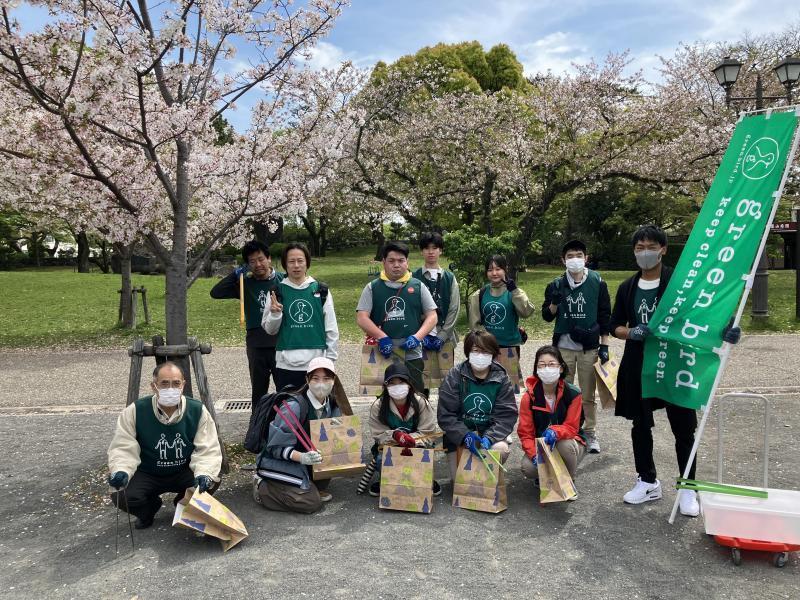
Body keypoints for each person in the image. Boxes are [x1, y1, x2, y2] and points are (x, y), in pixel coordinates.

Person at [610, 225, 741, 517]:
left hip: (676, 362)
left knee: (683, 428)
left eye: (651, 247)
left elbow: (704, 314)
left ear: (663, 249)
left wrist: (726, 328)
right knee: (640, 425)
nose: (645, 253)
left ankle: (688, 487)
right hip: (639, 365)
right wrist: (630, 333)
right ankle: (647, 480)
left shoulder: (681, 285)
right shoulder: (627, 287)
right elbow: (615, 325)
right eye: (639, 248)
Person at [107, 362, 222, 529]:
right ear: (154, 386)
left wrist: (204, 473)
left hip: (183, 470)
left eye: (176, 383)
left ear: (183, 385)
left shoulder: (197, 410)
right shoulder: (135, 411)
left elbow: (208, 448)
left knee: (211, 481)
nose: (171, 388)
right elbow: (123, 446)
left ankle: (182, 505)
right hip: (148, 472)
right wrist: (121, 471)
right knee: (122, 494)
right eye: (164, 383)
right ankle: (148, 509)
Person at [541, 239, 611, 454]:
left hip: (588, 347)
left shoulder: (597, 282)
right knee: (563, 391)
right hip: (563, 348)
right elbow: (546, 316)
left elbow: (604, 314)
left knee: (587, 393)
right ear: (563, 260)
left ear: (586, 258)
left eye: (578, 255)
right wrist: (554, 302)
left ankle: (589, 431)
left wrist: (604, 345)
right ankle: (565, 428)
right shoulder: (556, 284)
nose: (574, 260)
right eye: (570, 256)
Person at [253, 357, 346, 513]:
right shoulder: (294, 407)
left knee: (324, 480)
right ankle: (262, 489)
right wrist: (302, 457)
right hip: (279, 460)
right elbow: (275, 449)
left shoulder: (332, 404)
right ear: (307, 380)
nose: (321, 383)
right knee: (311, 503)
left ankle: (303, 485)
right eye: (315, 378)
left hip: (309, 462)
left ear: (334, 380)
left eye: (326, 378)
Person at [356, 241, 438, 393]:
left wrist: (417, 337)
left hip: (412, 351)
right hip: (383, 350)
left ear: (407, 262)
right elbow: (362, 317)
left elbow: (432, 316)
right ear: (383, 262)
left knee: (416, 392)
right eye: (391, 261)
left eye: (401, 261)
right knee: (385, 393)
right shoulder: (372, 287)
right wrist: (381, 336)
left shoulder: (418, 286)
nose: (396, 265)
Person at [210, 240, 284, 407]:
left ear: (269, 258)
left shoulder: (283, 280)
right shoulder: (245, 284)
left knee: (285, 390)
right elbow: (216, 292)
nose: (258, 264)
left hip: (281, 342)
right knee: (258, 391)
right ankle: (257, 427)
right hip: (256, 344)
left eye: (261, 259)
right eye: (252, 261)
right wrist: (235, 274)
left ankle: (287, 427)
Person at [437, 330, 519, 480]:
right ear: (468, 352)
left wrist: (489, 437)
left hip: (489, 433)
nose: (480, 355)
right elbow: (446, 414)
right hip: (460, 435)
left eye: (486, 351)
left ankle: (487, 475)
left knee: (499, 450)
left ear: (493, 354)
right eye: (476, 350)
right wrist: (464, 435)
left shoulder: (501, 377)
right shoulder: (455, 375)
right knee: (460, 481)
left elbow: (506, 415)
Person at [262, 242, 339, 391]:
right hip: (286, 365)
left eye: (300, 261)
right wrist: (275, 314)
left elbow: (331, 328)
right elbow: (270, 330)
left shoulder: (321, 290)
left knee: (318, 411)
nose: (296, 265)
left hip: (317, 364)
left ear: (307, 263)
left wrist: (329, 360)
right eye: (291, 261)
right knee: (289, 411)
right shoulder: (276, 292)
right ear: (285, 264)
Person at [368, 363, 441, 497]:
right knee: (380, 459)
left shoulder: (420, 403)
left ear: (409, 384)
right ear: (385, 386)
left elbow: (429, 432)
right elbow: (377, 434)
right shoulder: (378, 406)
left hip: (417, 446)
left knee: (422, 458)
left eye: (401, 382)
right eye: (392, 383)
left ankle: (425, 478)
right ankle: (386, 479)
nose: (397, 387)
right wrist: (395, 435)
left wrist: (412, 439)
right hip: (390, 447)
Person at [517, 346, 586, 488]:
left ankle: (569, 481)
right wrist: (534, 455)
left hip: (570, 443)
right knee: (528, 468)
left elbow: (572, 427)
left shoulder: (573, 393)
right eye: (541, 365)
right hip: (541, 445)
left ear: (561, 368)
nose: (546, 368)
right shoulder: (529, 397)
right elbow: (525, 433)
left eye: (551, 364)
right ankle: (544, 475)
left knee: (564, 445)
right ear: (536, 369)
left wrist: (556, 432)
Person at [468, 254, 536, 384]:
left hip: (510, 347)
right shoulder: (479, 294)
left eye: (498, 269)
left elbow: (526, 312)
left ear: (505, 269)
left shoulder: (514, 292)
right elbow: (475, 325)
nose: (494, 273)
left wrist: (515, 292)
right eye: (490, 269)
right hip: (486, 348)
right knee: (487, 385)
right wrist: (486, 343)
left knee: (511, 387)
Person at [412, 231, 460, 347]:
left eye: (435, 248)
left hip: (445, 336)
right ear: (421, 251)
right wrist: (421, 335)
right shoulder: (413, 278)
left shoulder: (449, 278)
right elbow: (411, 309)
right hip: (420, 336)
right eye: (427, 248)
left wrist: (443, 335)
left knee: (446, 366)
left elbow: (454, 309)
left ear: (441, 250)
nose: (431, 252)